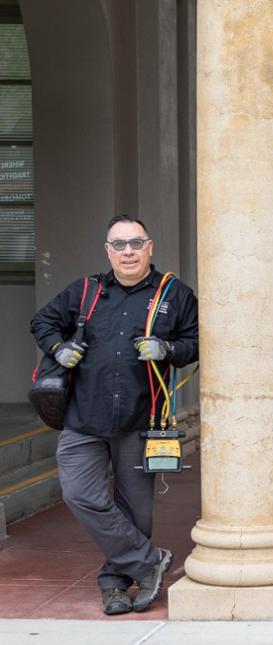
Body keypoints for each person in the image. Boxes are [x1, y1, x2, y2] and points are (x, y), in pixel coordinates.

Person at [30, 215, 199, 616]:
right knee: (79, 494)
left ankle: (115, 585)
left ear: (149, 247)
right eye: (119, 244)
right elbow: (43, 321)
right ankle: (148, 562)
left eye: (135, 243)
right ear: (107, 251)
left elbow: (194, 342)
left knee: (136, 511)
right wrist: (57, 348)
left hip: (143, 419)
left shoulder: (174, 294)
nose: (127, 251)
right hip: (84, 416)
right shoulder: (86, 291)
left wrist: (167, 350)